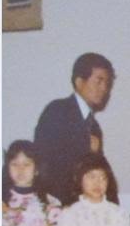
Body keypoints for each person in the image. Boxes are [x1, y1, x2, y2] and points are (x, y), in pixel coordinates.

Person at [34, 53, 115, 204]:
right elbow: (44, 159)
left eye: (107, 83)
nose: (104, 88)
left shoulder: (94, 126)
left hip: (84, 206)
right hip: (56, 205)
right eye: (99, 81)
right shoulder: (57, 110)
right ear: (79, 82)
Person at [55, 153, 130, 226]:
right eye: (92, 177)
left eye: (103, 178)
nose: (98, 183)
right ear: (79, 179)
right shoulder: (70, 214)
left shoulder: (119, 213)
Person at [2, 140, 61, 226]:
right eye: (14, 164)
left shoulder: (50, 202)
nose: (20, 169)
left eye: (26, 164)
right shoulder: (1, 201)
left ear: (37, 170)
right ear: (8, 168)